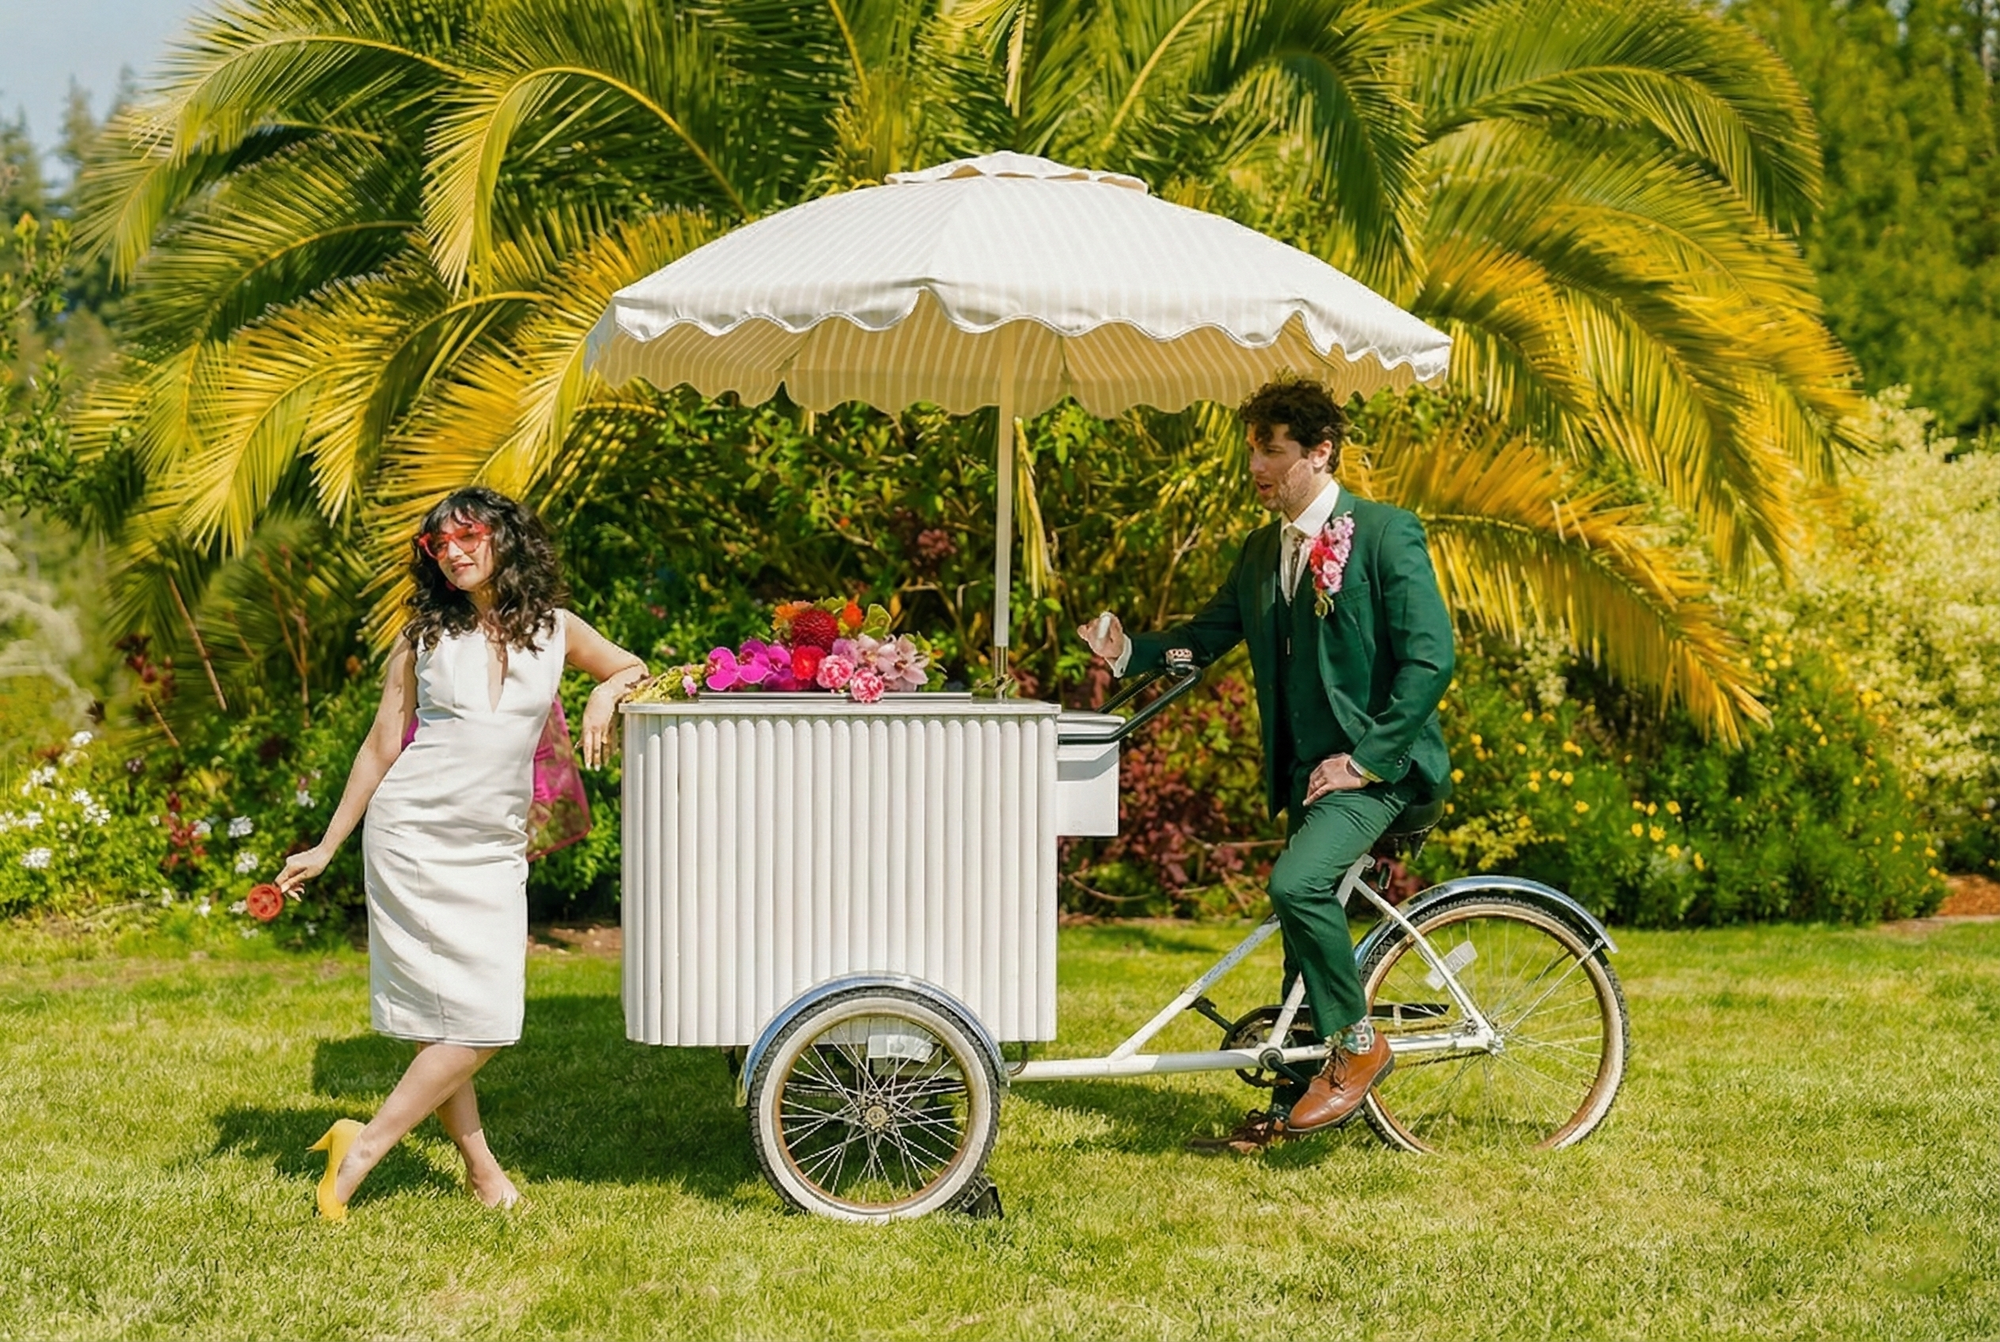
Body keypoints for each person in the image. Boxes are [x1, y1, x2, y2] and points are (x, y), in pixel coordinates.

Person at [1078, 377, 1454, 1154]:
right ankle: (1285, 1111)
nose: (1256, 463)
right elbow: (1203, 638)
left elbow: (1430, 662)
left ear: (1320, 453)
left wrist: (1367, 760)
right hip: (1303, 776)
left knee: (1296, 885)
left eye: (1272, 449)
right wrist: (1128, 651)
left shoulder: (1384, 534)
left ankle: (1357, 1047)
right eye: (1252, 447)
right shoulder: (1261, 551)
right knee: (1298, 935)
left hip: (1380, 772)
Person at [278, 486, 647, 1217]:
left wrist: (606, 695)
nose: (451, 553)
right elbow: (383, 744)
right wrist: (326, 846)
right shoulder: (422, 637)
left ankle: (451, 1161)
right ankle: (369, 1158)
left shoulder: (557, 629)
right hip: (411, 835)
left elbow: (633, 667)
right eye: (437, 545)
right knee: (465, 1020)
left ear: (503, 539)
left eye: (466, 536)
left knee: (478, 1015)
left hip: (493, 848)